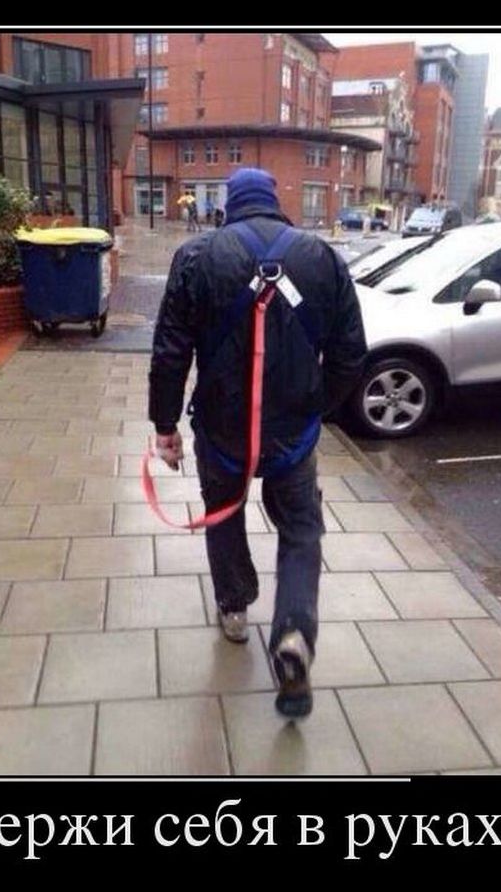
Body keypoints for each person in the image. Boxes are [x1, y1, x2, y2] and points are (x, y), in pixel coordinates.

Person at [149, 168, 367, 718]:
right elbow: (350, 353)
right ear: (274, 203)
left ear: (231, 206)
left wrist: (165, 425)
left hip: (221, 429)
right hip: (293, 434)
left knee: (224, 513)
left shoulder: (196, 256)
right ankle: (293, 631)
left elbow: (171, 349)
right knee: (301, 528)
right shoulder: (323, 258)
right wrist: (317, 406)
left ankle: (234, 606)